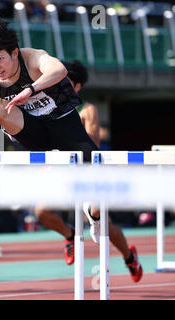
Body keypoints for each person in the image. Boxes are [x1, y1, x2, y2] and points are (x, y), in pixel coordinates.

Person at [0, 19, 142, 282]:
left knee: (99, 202)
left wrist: (29, 90)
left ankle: (99, 220)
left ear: (15, 53)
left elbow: (58, 69)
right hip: (34, 133)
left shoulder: (34, 59)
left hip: (66, 130)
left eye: (0, 59)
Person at [63, 59, 142, 281]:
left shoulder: (88, 110)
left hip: (87, 170)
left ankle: (129, 257)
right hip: (62, 172)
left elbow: (93, 144)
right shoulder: (50, 107)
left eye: (66, 81)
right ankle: (70, 237)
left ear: (77, 86)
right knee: (41, 211)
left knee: (100, 219)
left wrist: (66, 129)